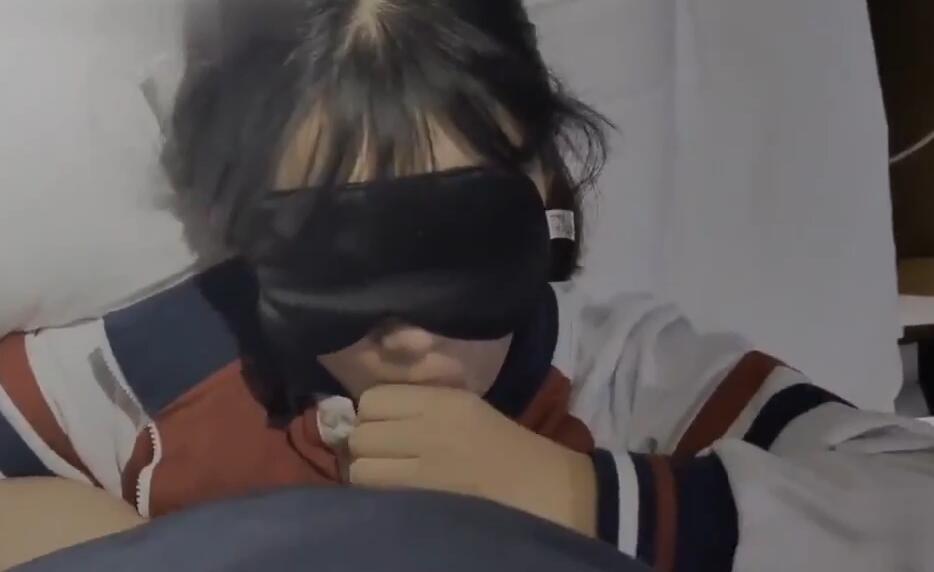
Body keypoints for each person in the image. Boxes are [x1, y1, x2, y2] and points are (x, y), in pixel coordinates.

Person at [1, 0, 933, 570]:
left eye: (459, 238)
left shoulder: (630, 382)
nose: (408, 333)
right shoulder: (184, 362)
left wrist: (576, 498)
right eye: (338, 254)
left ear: (546, 192)